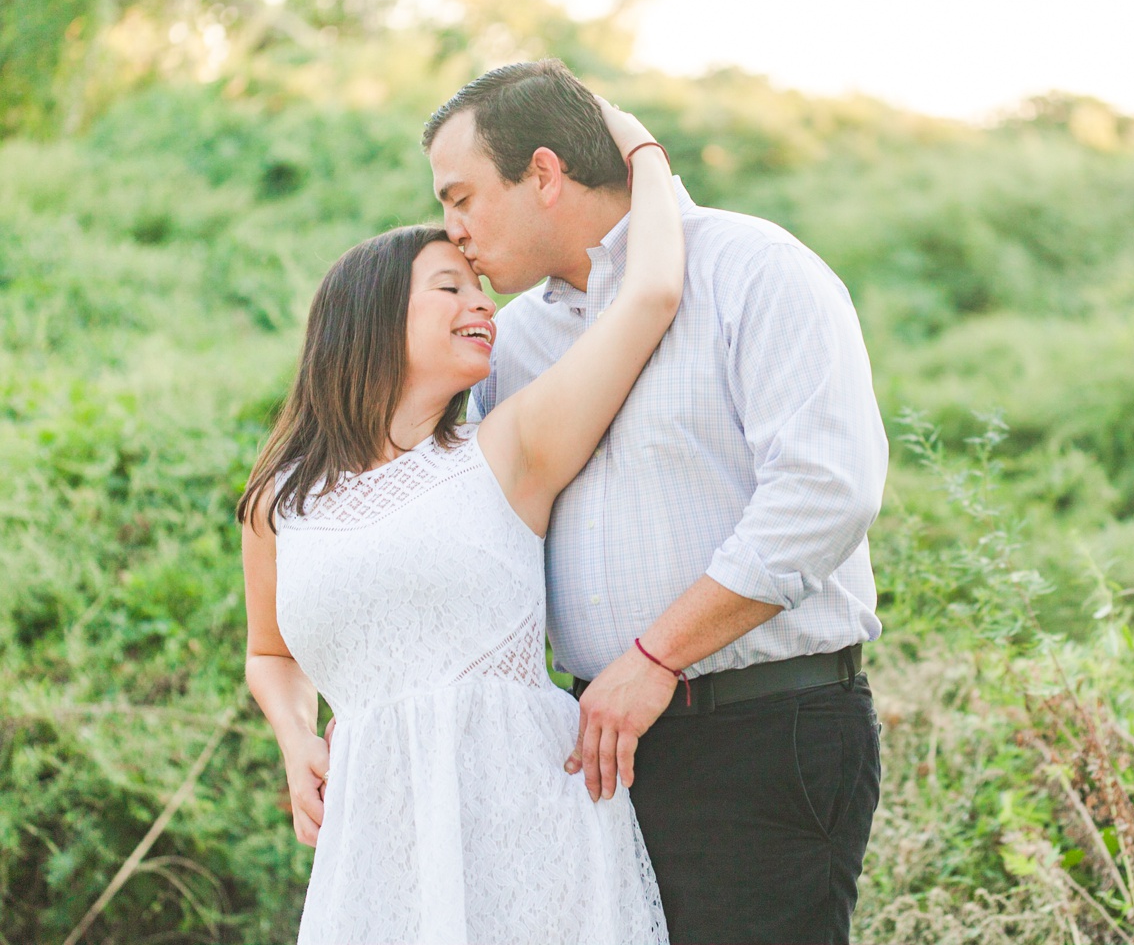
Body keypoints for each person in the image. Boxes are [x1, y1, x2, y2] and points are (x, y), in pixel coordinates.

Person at [425, 59, 888, 944]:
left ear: (546, 175)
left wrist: (656, 657)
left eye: (462, 197)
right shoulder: (513, 344)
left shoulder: (755, 270)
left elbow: (827, 493)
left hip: (759, 730)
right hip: (596, 748)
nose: (451, 231)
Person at [236, 98, 681, 944]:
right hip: (379, 841)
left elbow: (650, 293)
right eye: (450, 288)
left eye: (480, 287)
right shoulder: (279, 502)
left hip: (530, 822)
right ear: (367, 322)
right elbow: (269, 653)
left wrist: (641, 150)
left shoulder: (508, 448)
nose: (482, 304)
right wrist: (296, 740)